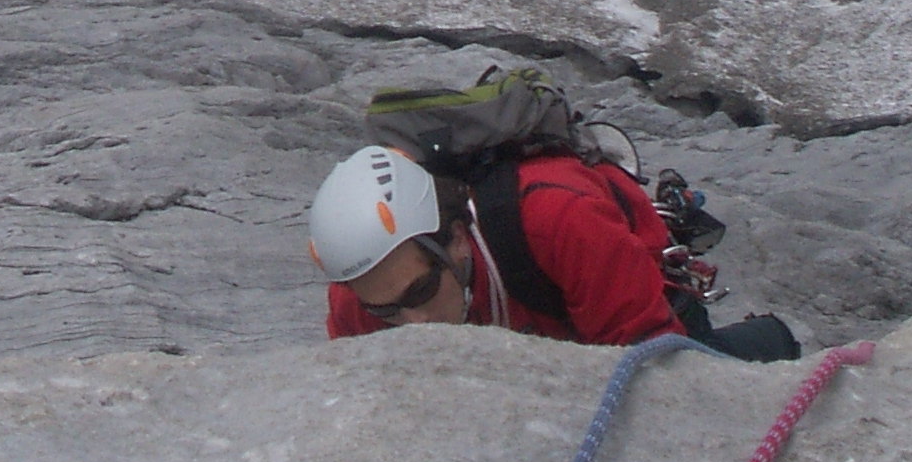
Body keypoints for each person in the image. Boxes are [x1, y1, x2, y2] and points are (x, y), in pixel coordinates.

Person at [310, 142, 797, 357]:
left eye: (421, 291)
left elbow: (656, 371)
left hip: (632, 308)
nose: (412, 323)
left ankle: (772, 342)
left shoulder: (561, 223)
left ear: (456, 237)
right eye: (386, 311)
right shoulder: (360, 295)